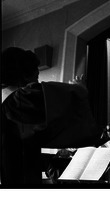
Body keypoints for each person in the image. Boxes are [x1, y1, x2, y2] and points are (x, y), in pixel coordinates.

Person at [1, 47, 100, 185]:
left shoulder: (6, 100)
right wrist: (80, 89)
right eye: (36, 77)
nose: (36, 82)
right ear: (24, 76)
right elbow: (68, 98)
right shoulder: (18, 100)